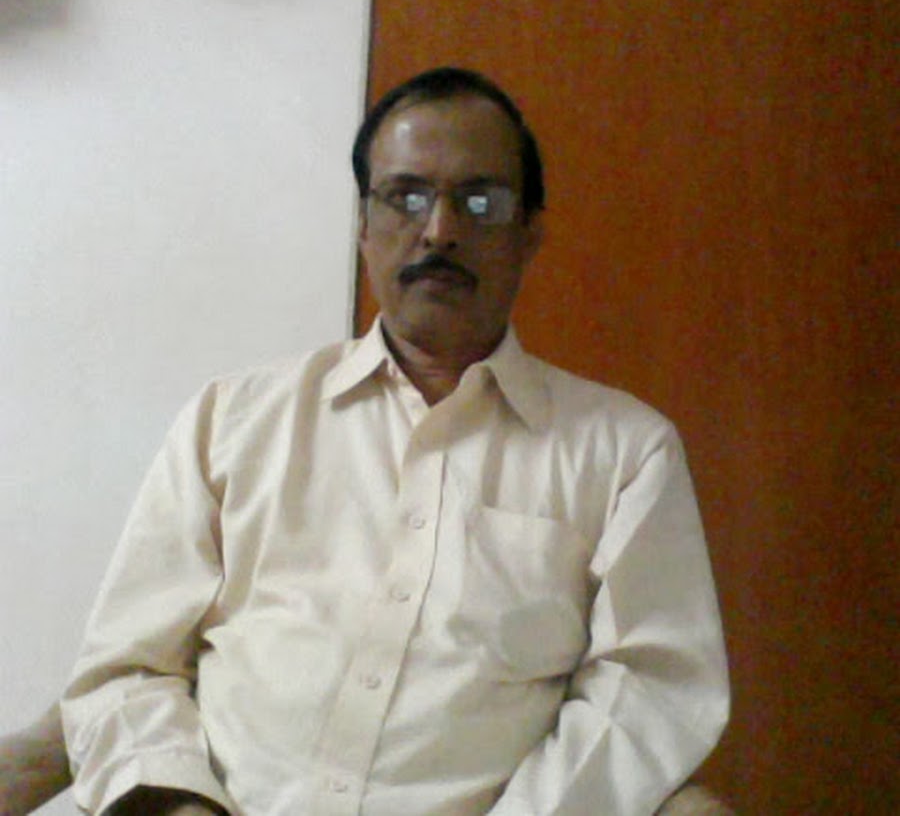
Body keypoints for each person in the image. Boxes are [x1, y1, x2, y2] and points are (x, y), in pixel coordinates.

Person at [60, 67, 729, 815]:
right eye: (405, 197)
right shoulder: (232, 421)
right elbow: (127, 667)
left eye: (480, 201)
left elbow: (648, 696)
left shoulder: (624, 454)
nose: (439, 230)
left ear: (529, 236)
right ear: (363, 227)